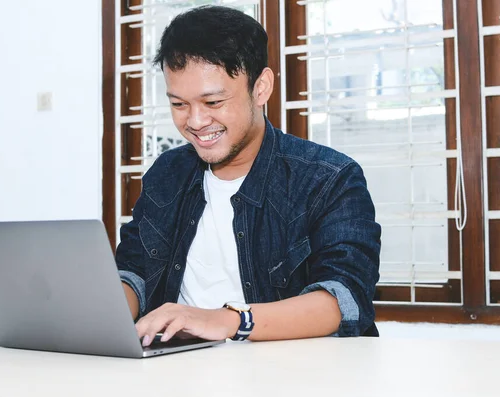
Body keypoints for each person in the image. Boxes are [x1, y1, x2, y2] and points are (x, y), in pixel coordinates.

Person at [116, 5, 381, 347]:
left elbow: (343, 299)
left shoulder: (330, 179)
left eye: (212, 102)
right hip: (176, 370)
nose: (194, 122)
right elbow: (134, 272)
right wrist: (96, 317)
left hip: (287, 373)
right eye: (179, 104)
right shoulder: (168, 173)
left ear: (261, 88)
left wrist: (227, 321)